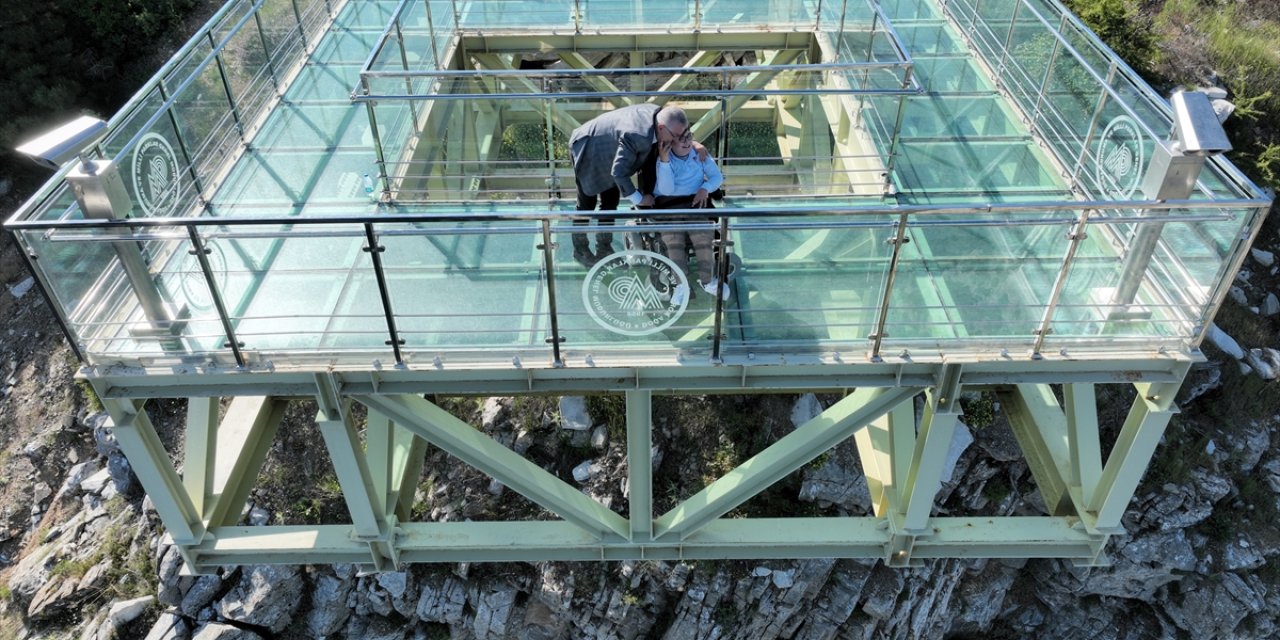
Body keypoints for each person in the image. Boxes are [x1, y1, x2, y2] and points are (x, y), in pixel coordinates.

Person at [568, 104, 702, 268]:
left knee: (610, 202)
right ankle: (580, 251)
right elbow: (618, 173)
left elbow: (679, 135)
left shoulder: (663, 119)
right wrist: (639, 199)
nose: (676, 141)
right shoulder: (637, 135)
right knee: (586, 205)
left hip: (611, 148)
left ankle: (603, 247)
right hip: (589, 147)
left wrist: (695, 145)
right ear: (661, 128)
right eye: (674, 136)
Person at [651, 126, 728, 306]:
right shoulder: (662, 158)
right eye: (682, 138)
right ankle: (681, 285)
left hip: (694, 202)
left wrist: (705, 188)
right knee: (673, 241)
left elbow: (717, 177)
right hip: (669, 205)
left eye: (689, 137)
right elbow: (667, 189)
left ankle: (707, 281)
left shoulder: (698, 153)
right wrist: (664, 161)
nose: (686, 141)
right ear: (670, 142)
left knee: (703, 237)